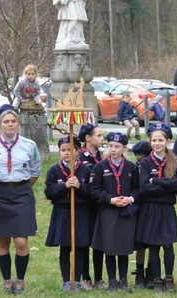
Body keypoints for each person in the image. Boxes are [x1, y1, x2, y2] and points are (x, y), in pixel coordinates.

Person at [0, 104, 41, 295]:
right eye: (6, 121)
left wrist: (19, 187)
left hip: (21, 194)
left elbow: (35, 171)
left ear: (17, 123)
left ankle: (20, 280)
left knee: (21, 241)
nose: (10, 125)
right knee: (2, 241)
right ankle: (7, 280)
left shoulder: (29, 145)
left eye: (13, 121)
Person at [89, 132, 139, 292]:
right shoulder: (100, 167)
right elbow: (94, 189)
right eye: (110, 146)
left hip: (125, 211)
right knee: (109, 246)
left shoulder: (131, 167)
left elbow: (138, 189)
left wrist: (130, 199)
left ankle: (123, 280)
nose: (113, 149)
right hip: (108, 211)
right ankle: (112, 280)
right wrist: (110, 199)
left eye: (117, 147)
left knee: (123, 246)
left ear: (124, 148)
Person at [136, 124, 177, 292]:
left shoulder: (175, 161)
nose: (157, 143)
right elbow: (143, 189)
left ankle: (169, 278)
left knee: (168, 245)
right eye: (154, 140)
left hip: (167, 209)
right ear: (150, 142)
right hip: (151, 209)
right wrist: (167, 185)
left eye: (160, 140)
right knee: (154, 246)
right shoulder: (146, 163)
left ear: (168, 141)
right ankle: (156, 279)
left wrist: (155, 181)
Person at [45, 136, 91, 291]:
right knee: (65, 248)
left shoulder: (86, 169)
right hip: (62, 212)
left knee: (78, 248)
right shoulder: (54, 170)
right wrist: (65, 185)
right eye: (63, 150)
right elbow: (49, 192)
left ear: (77, 151)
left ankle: (76, 281)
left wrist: (80, 186)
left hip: (80, 212)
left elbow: (92, 193)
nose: (66, 153)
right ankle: (66, 281)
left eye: (69, 150)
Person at [77, 124, 105, 290]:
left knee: (99, 241)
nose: (102, 138)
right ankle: (85, 277)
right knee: (84, 242)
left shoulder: (103, 156)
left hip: (99, 204)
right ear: (88, 138)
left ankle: (99, 278)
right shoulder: (80, 157)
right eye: (99, 135)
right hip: (85, 204)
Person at [130, 140, 153, 289]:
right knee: (140, 244)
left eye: (142, 158)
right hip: (138, 208)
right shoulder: (133, 169)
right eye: (137, 159)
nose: (140, 162)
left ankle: (150, 272)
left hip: (151, 207)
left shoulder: (153, 166)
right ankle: (139, 272)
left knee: (152, 242)